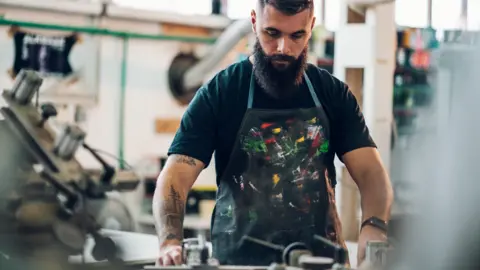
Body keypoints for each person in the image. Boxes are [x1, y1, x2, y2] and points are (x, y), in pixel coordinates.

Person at [153, 0, 394, 266]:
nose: (283, 48)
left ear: (311, 26)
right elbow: (175, 176)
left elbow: (371, 173)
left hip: (320, 261)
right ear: (255, 22)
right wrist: (170, 241)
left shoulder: (333, 94)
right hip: (239, 263)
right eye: (273, 33)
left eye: (296, 35)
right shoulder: (221, 93)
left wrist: (374, 227)